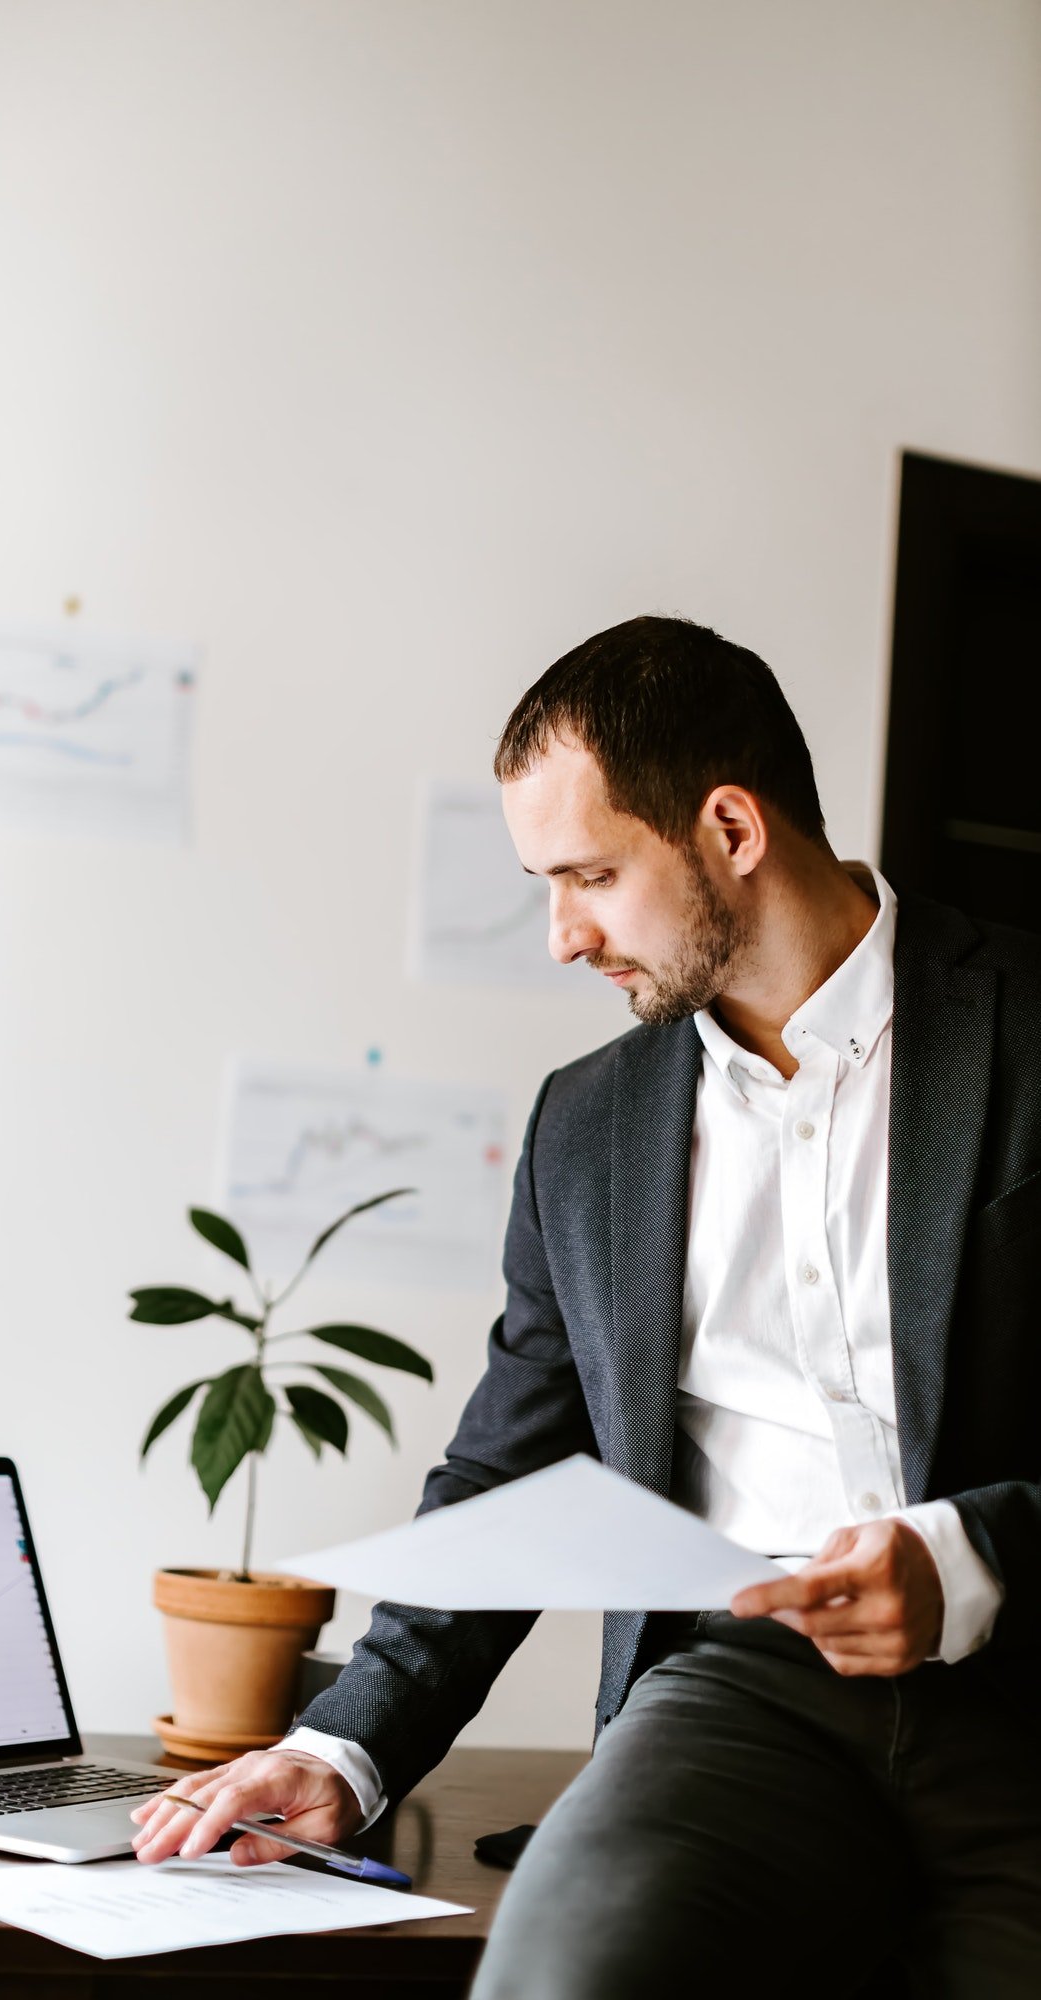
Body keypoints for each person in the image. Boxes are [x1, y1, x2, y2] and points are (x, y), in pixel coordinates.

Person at [130, 616, 1041, 1995]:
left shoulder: (1030, 1023)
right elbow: (511, 1466)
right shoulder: (585, 1129)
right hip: (741, 1700)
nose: (561, 937)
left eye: (591, 877)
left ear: (729, 828)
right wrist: (344, 1745)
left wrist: (963, 1559)